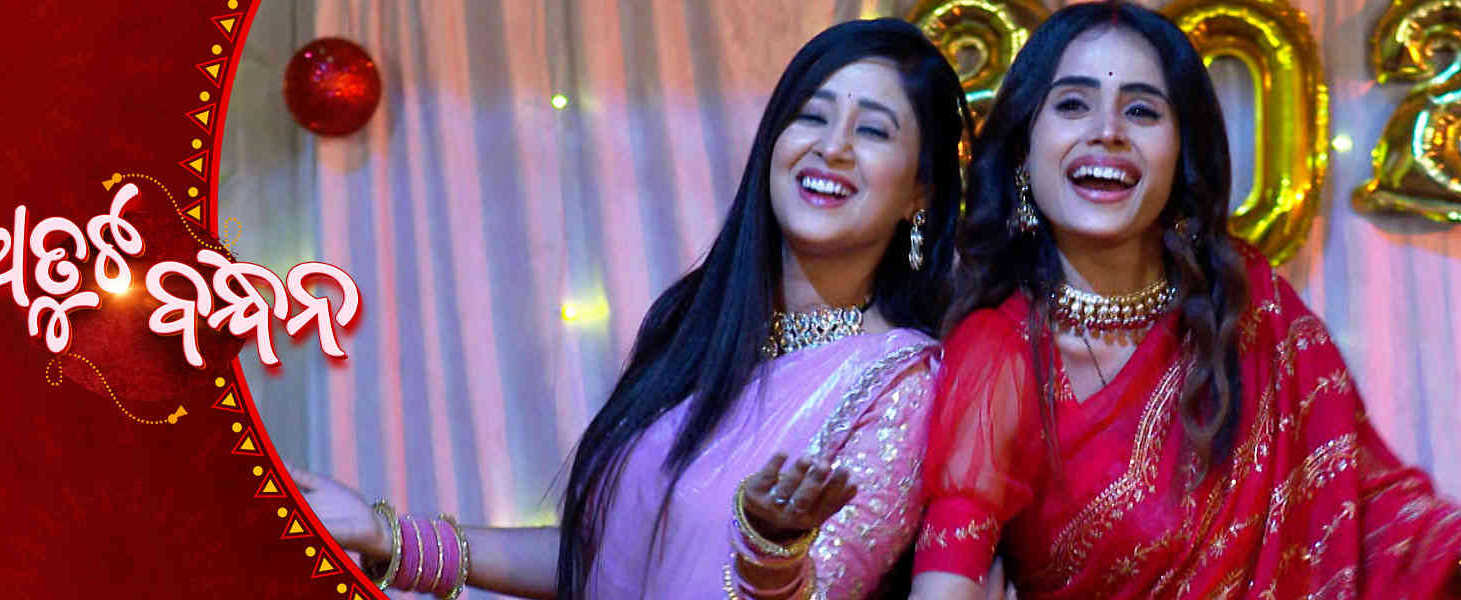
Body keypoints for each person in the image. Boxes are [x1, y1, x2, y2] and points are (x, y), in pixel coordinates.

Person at [906, 3, 1461, 599]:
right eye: (1073, 105)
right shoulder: (996, 351)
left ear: (1181, 153)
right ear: (1023, 150)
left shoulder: (1252, 312)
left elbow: (1357, 512)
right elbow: (949, 570)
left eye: (1142, 110)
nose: (1108, 131)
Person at [292, 18, 972, 599]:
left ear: (920, 192)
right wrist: (386, 536)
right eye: (812, 116)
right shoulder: (703, 324)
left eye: (873, 131)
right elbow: (597, 559)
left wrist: (773, 550)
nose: (833, 146)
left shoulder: (902, 384)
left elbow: (820, 589)